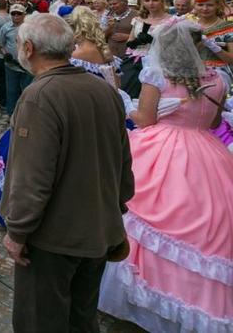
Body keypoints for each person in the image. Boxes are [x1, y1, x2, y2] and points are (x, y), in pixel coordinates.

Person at [0, 13, 134, 333]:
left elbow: (32, 177)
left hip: (53, 240)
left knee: (40, 321)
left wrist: (17, 232)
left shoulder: (40, 96)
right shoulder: (103, 89)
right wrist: (115, 206)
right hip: (98, 230)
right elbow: (124, 163)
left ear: (28, 48)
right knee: (82, 318)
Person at [97, 20, 233, 331]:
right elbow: (214, 124)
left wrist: (125, 104)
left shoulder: (156, 75)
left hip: (161, 148)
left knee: (138, 211)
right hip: (209, 154)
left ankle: (144, 295)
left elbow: (144, 120)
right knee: (209, 222)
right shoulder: (218, 79)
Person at [0, 4, 32, 116]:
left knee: (27, 90)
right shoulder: (5, 27)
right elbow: (0, 44)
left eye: (19, 13)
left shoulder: (30, 28)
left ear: (24, 14)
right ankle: (11, 115)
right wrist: (5, 54)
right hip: (11, 64)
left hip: (28, 64)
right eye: (13, 13)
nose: (16, 16)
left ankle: (26, 114)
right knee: (12, 91)